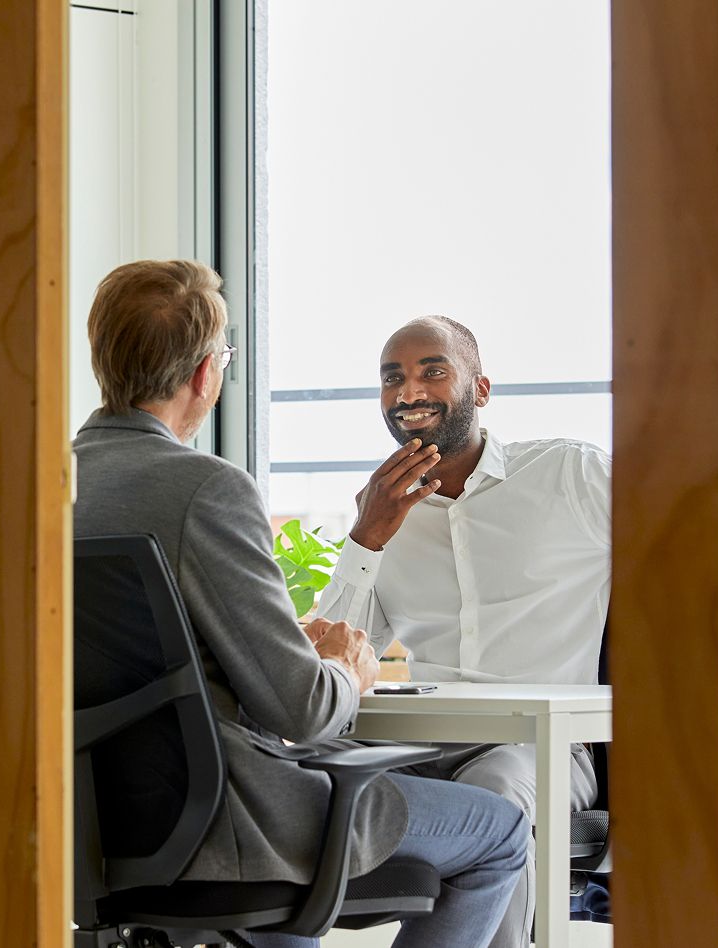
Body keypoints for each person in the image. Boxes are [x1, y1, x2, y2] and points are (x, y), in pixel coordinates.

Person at [74, 261, 528, 948]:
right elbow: (305, 712)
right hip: (237, 825)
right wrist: (346, 668)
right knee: (501, 831)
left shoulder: (37, 486)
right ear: (204, 374)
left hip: (98, 830)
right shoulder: (204, 490)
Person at [313, 315, 611, 948]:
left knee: (497, 791)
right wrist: (369, 537)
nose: (408, 392)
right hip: (417, 748)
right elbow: (329, 647)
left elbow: (687, 557)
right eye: (392, 379)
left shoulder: (572, 477)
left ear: (479, 390)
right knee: (289, 784)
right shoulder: (381, 509)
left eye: (433, 372)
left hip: (543, 750)